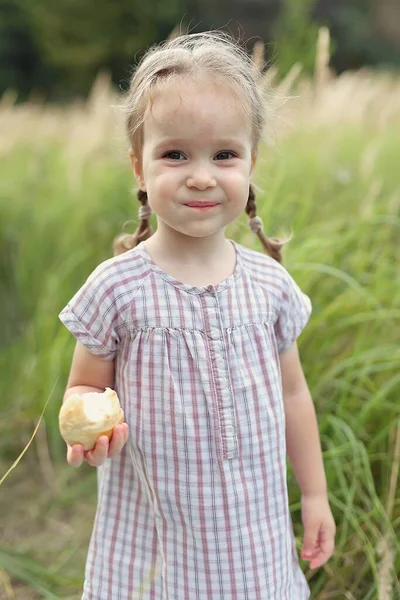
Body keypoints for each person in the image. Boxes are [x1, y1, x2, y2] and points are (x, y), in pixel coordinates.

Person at [59, 30, 335, 600]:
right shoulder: (118, 287)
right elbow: (85, 386)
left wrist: (314, 494)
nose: (202, 175)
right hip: (154, 543)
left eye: (225, 155)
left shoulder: (269, 286)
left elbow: (294, 396)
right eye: (176, 154)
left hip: (252, 543)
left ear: (252, 162)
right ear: (139, 166)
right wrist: (88, 425)